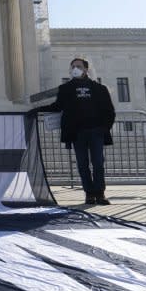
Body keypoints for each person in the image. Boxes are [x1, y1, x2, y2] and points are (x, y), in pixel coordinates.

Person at [34, 58, 115, 205]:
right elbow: (57, 106)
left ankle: (100, 193)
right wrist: (37, 110)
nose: (74, 69)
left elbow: (110, 111)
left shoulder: (99, 88)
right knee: (82, 164)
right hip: (78, 133)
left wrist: (104, 129)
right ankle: (89, 193)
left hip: (96, 131)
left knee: (98, 163)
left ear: (85, 69)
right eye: (72, 67)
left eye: (78, 66)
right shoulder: (66, 89)